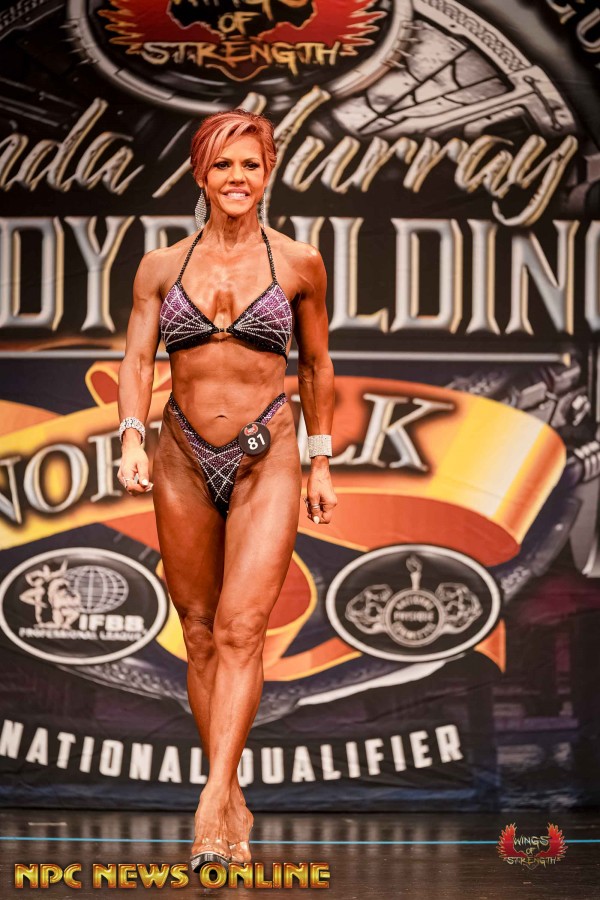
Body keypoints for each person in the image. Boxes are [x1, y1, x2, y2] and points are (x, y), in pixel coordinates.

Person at [116, 109, 336, 873]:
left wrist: (321, 461)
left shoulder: (300, 263)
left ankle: (212, 800)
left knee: (243, 629)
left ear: (268, 172)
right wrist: (130, 437)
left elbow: (316, 366)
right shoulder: (160, 267)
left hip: (264, 454)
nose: (237, 178)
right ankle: (231, 790)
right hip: (180, 453)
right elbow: (137, 360)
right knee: (201, 631)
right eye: (223, 165)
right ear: (200, 175)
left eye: (250, 164)